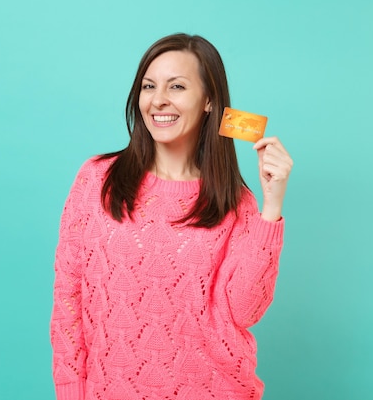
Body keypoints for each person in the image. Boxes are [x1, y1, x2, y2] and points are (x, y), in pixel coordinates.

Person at [50, 33, 293, 400]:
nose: (158, 99)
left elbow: (244, 311)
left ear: (209, 100)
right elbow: (68, 295)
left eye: (177, 86)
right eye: (149, 86)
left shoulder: (234, 201)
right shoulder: (97, 179)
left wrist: (271, 206)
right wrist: (70, 390)